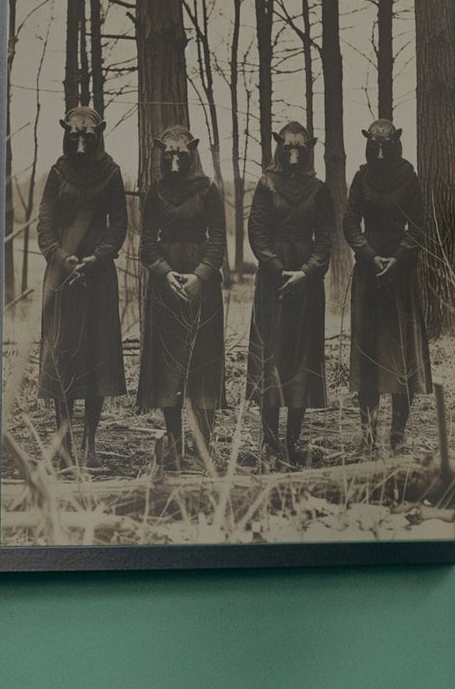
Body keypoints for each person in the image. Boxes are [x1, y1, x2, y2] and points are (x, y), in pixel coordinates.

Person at [35, 105, 127, 468]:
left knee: (97, 356)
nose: (81, 142)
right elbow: (45, 223)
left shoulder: (112, 172)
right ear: (66, 133)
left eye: (88, 135)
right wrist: (60, 257)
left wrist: (99, 257)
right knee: (62, 355)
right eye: (75, 135)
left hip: (98, 275)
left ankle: (90, 442)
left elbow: (119, 223)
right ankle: (64, 441)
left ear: (99, 132)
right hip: (62, 274)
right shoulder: (58, 173)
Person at [136, 125, 226, 472]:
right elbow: (146, 242)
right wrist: (165, 272)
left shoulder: (208, 190)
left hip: (202, 285)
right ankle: (174, 445)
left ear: (192, 154)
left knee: (203, 360)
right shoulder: (155, 193)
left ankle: (203, 448)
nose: (175, 160)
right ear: (161, 154)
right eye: (168, 153)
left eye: (181, 154)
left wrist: (200, 277)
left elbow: (218, 238)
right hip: (166, 286)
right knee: (168, 366)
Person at [343, 120, 433, 452]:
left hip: (400, 274)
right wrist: (368, 254)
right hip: (370, 273)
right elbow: (350, 221)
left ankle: (397, 435)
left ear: (396, 143)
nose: (380, 153)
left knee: (402, 354)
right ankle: (367, 437)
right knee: (369, 355)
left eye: (386, 145)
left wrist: (398, 257)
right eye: (374, 146)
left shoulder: (408, 177)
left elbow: (419, 224)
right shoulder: (361, 177)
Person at [247, 122, 333, 467]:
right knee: (272, 354)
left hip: (306, 283)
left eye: (300, 148)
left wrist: (306, 272)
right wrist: (275, 267)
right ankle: (269, 441)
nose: (294, 155)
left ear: (308, 149)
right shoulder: (266, 185)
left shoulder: (319, 189)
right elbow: (257, 231)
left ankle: (292, 441)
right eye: (288, 148)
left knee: (302, 357)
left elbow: (325, 237)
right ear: (279, 149)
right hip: (273, 281)